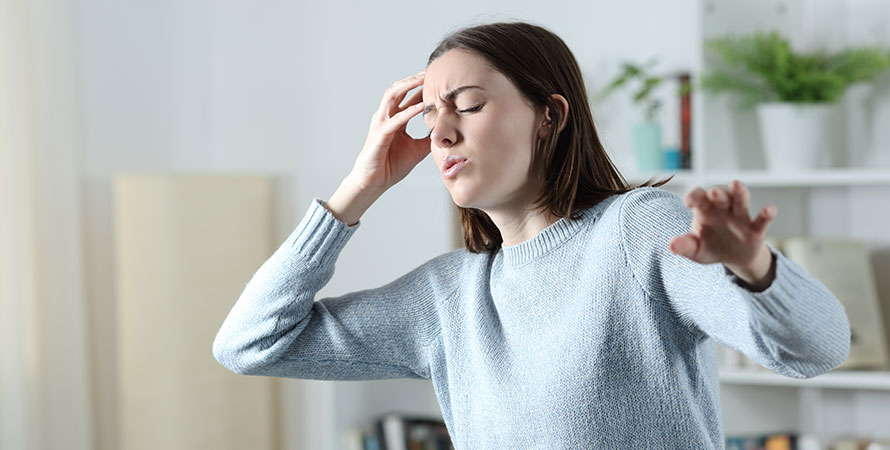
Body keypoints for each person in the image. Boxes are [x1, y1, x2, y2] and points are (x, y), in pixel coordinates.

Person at [212, 21, 850, 449]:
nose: (440, 133)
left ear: (549, 115)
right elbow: (249, 344)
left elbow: (816, 349)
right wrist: (359, 187)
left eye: (467, 104)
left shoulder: (637, 230)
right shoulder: (448, 296)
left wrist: (755, 268)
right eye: (429, 115)